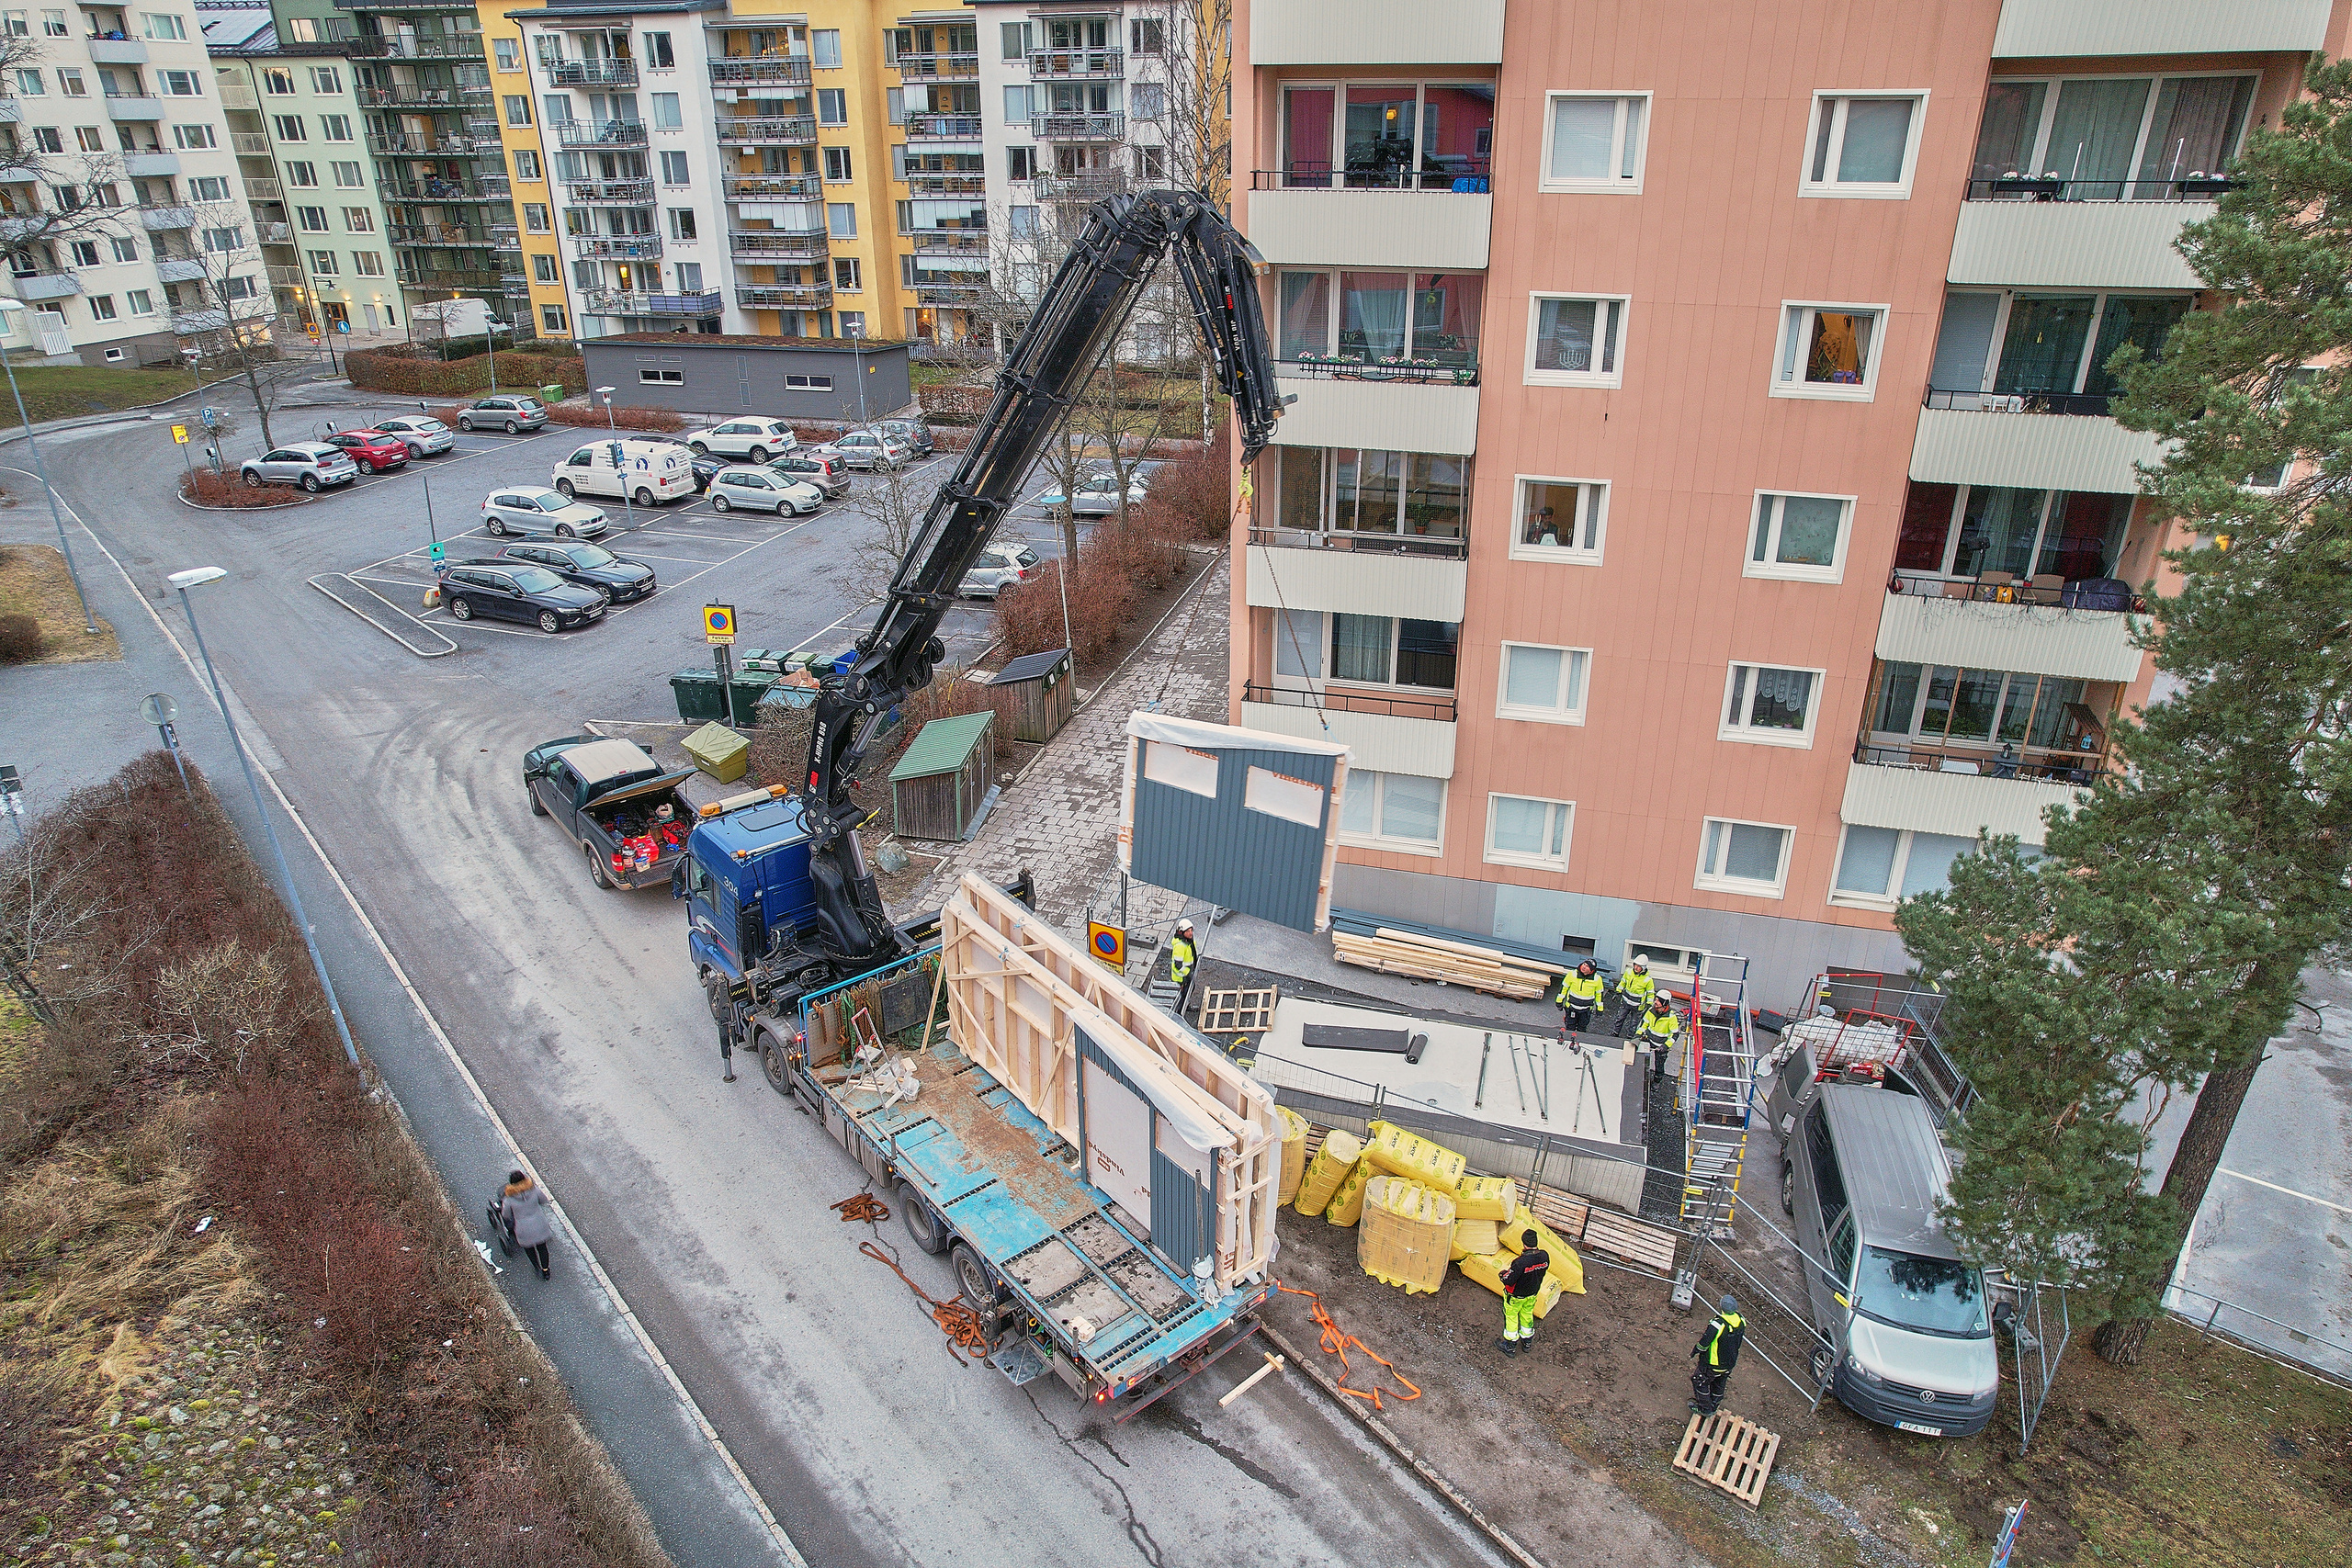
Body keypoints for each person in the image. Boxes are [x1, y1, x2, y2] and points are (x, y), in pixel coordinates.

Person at [1497, 1228, 1550, 1356]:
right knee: (1527, 1315)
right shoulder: (1544, 1256)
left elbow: (1509, 1280)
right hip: (1532, 1294)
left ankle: (1510, 1346)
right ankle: (1527, 1342)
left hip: (1516, 1296)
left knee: (1511, 1317)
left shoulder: (1520, 1263)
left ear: (1524, 1244)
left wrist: (1502, 1275)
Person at [1690, 1295, 1746, 1415]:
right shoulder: (1741, 1320)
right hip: (1730, 1362)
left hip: (1713, 1363)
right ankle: (1715, 1404)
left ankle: (1705, 1409)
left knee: (1699, 1381)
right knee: (1719, 1382)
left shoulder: (1718, 1324)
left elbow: (1704, 1343)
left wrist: (1696, 1350)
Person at [501, 1170, 555, 1281]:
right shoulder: (533, 1190)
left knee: (530, 1249)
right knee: (542, 1248)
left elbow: (505, 1215)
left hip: (523, 1229)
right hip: (539, 1225)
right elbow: (544, 1200)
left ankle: (536, 1267)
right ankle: (546, 1270)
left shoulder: (509, 1199)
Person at [1636, 994, 1681, 1085]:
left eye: (1658, 1000)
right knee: (1640, 1058)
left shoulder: (1671, 1018)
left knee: (1659, 1066)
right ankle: (1640, 1076)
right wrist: (1638, 1035)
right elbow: (1644, 1024)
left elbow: (1675, 1035)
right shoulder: (1651, 1011)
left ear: (1664, 1004)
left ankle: (1656, 1082)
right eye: (1655, 999)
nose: (1655, 1002)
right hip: (1649, 1040)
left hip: (1661, 1045)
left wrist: (1665, 1046)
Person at [1611, 954, 1657, 1035]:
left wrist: (1649, 1004)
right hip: (1626, 1002)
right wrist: (1618, 991)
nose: (1636, 968)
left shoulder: (1648, 980)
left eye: (1639, 966)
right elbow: (1623, 982)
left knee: (1634, 1023)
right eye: (1635, 965)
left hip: (1638, 1006)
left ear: (1643, 968)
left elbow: (1650, 993)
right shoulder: (1628, 972)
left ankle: (1630, 1036)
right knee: (1620, 1018)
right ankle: (1615, 1032)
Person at [1555, 960, 1605, 1035]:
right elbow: (1563, 989)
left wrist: (1599, 1009)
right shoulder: (1572, 974)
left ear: (1591, 970)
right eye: (1584, 964)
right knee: (1570, 1028)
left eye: (1587, 966)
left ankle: (1578, 1044)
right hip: (1572, 1008)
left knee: (1582, 1030)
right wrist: (1559, 1002)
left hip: (1586, 1010)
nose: (1584, 967)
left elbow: (1599, 995)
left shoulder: (1597, 979)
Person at [1169, 917, 1199, 1012]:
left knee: (1189, 989)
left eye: (1191, 930)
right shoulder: (1180, 946)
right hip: (1182, 977)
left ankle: (1186, 1006)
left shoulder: (1188, 941)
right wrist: (1188, 973)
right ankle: (1178, 1013)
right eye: (1188, 931)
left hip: (1187, 974)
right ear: (1182, 932)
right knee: (1182, 995)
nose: (1191, 933)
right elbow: (1178, 965)